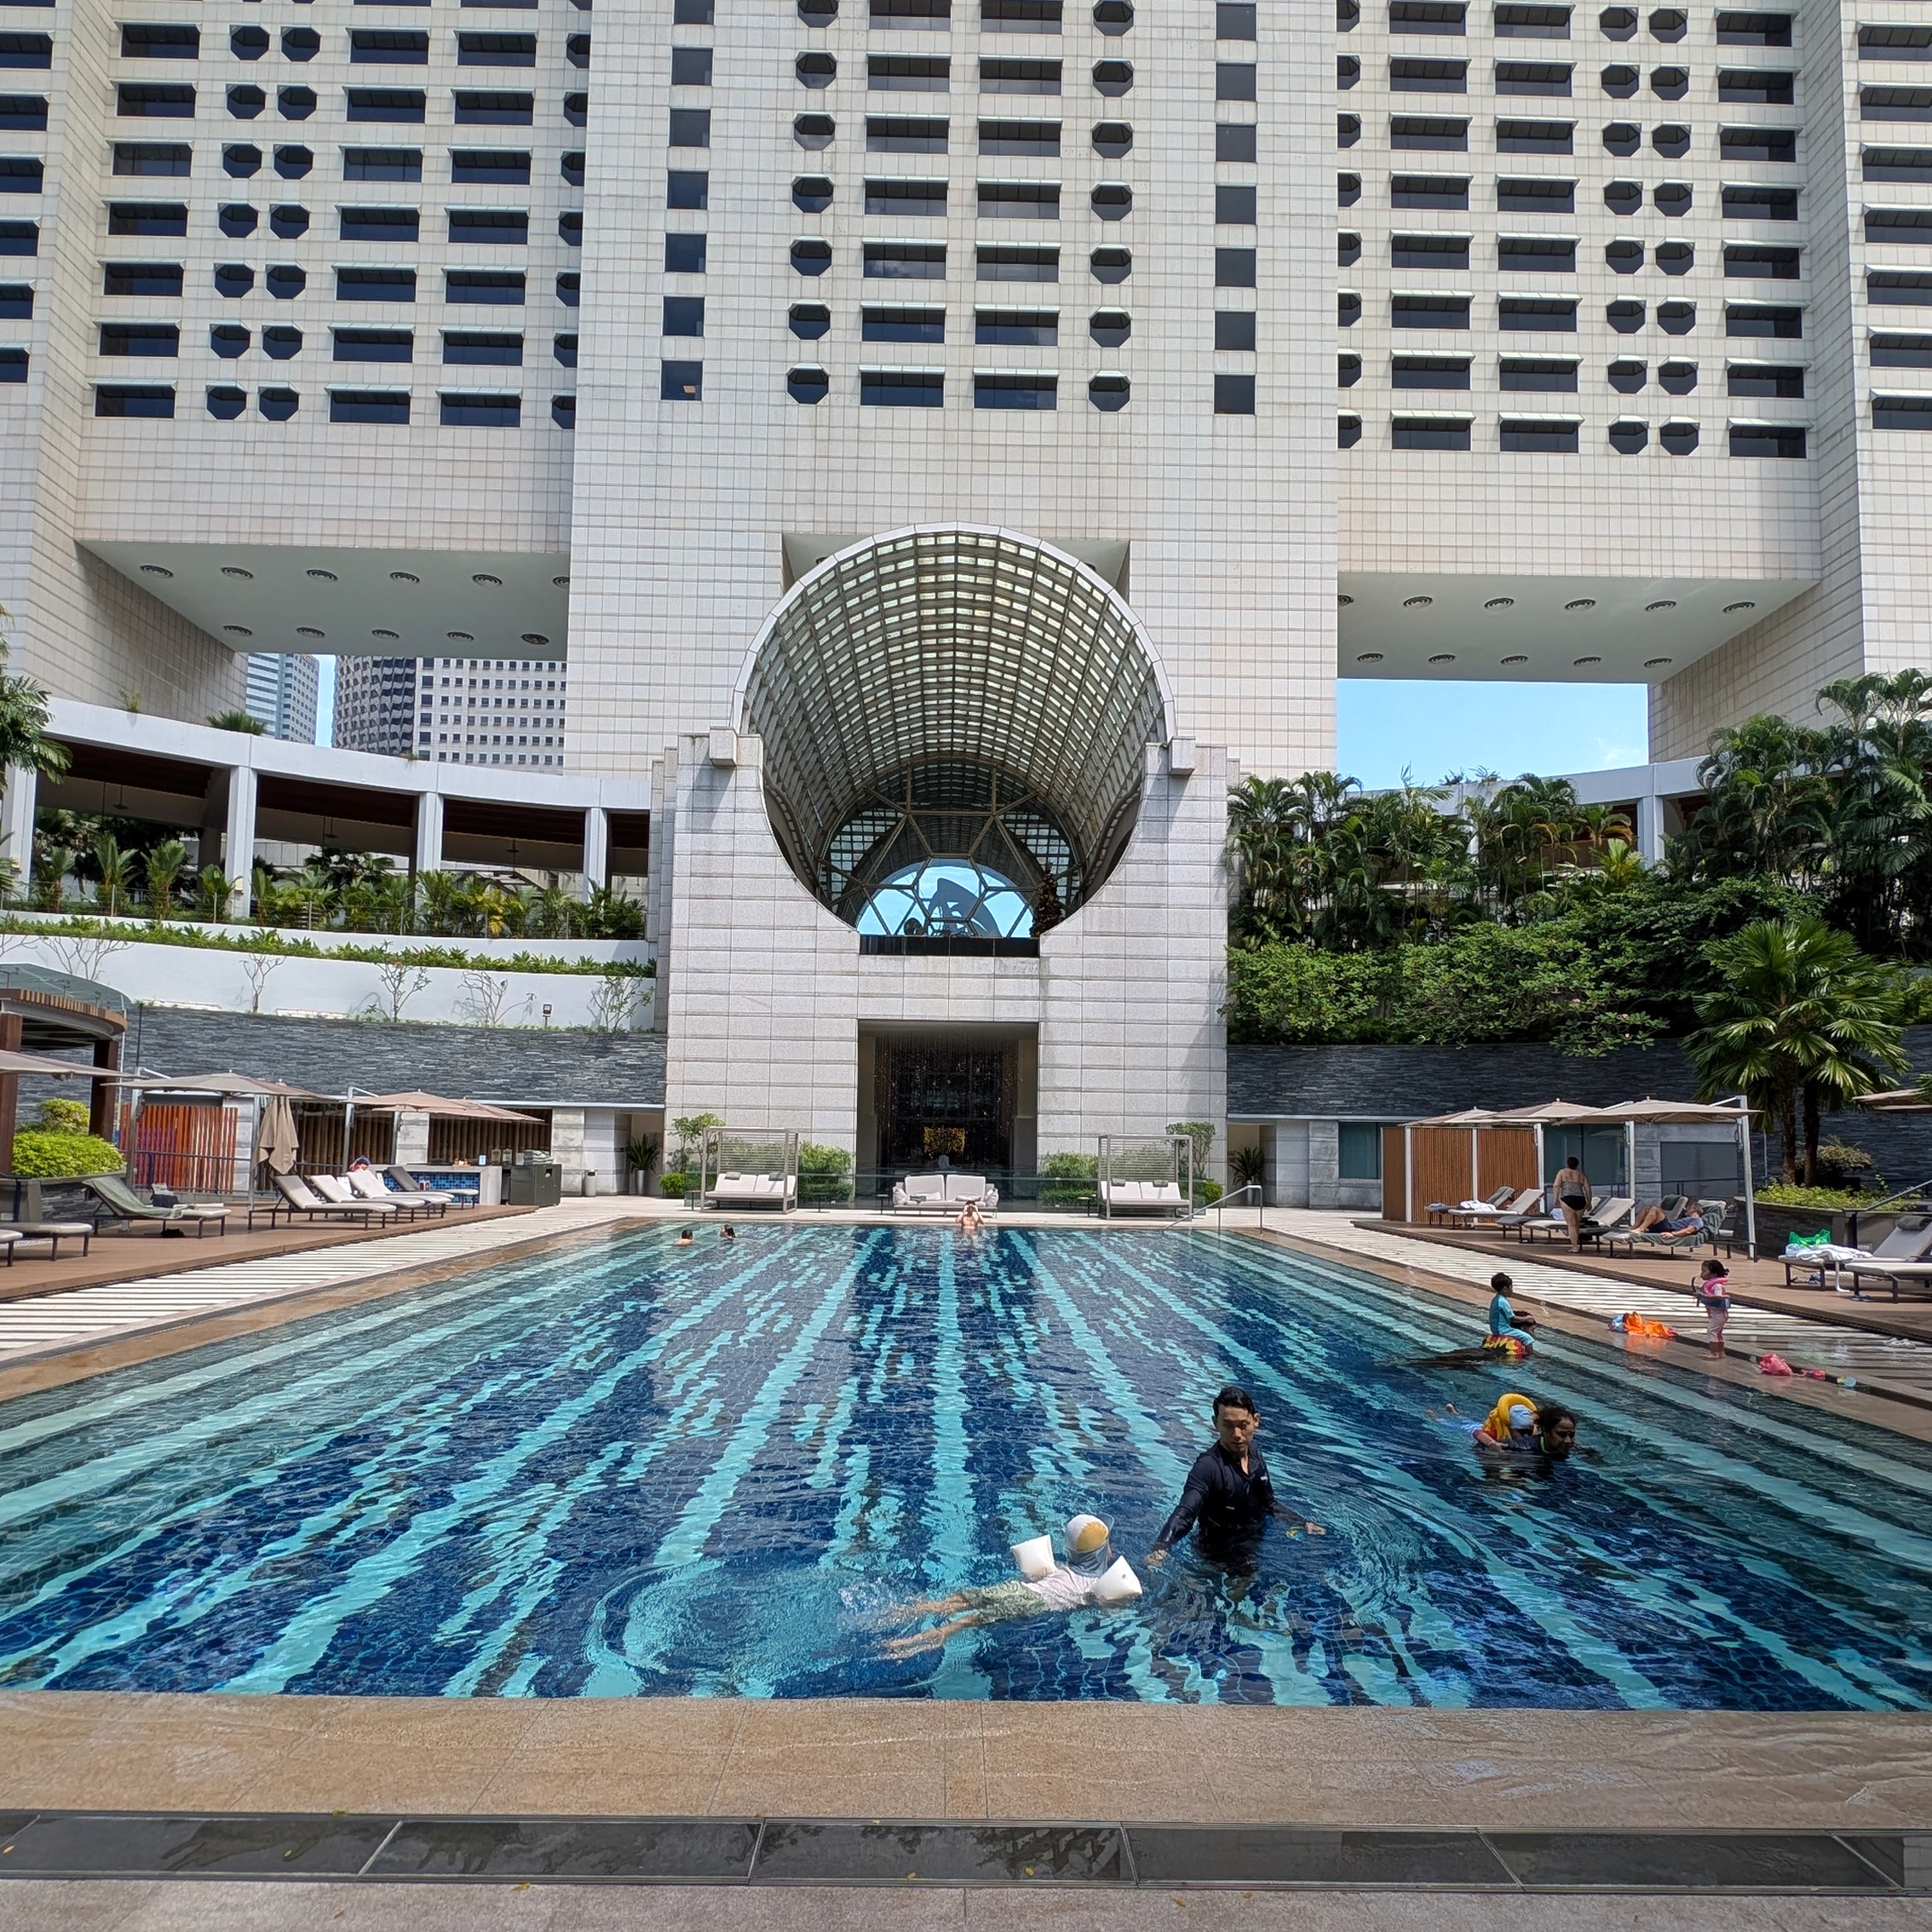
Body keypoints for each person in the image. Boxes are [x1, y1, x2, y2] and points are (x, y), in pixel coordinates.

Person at [881, 1514, 1134, 1658]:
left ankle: (907, 1611)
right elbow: (1105, 1604)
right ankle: (911, 1643)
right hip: (1030, 1601)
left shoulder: (1063, 1567)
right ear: (1101, 1552)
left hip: (1017, 1588)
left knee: (957, 1602)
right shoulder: (1094, 1585)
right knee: (965, 1623)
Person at [1147, 1385, 1325, 1573]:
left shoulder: (1255, 1454)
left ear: (1255, 1421)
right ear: (1216, 1423)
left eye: (1242, 1425)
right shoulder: (1207, 1467)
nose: (1237, 1435)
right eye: (1228, 1426)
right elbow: (1185, 1513)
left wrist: (1302, 1523)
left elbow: (1269, 1503)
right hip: (1215, 1555)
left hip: (1254, 1545)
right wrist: (1161, 1547)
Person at [1486, 1272, 1538, 1350]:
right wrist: (1526, 1318)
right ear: (1505, 1289)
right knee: (1527, 1338)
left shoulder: (1496, 1299)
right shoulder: (1502, 1301)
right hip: (1502, 1330)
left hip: (1496, 1329)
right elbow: (1513, 1319)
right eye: (1511, 1288)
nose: (1512, 1290)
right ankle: (1530, 1357)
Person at [1693, 1256, 1731, 1357]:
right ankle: (1721, 1352)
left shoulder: (1717, 1286)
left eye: (1704, 1271)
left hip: (1718, 1314)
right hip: (1719, 1314)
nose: (1701, 1273)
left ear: (1713, 1274)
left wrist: (1703, 1295)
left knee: (1712, 1331)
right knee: (1718, 1333)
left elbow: (1718, 1297)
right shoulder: (1712, 1285)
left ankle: (1714, 1353)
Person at [1554, 1156, 1592, 1253]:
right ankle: (1577, 1243)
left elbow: (1556, 1185)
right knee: (1576, 1224)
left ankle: (1575, 1246)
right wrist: (1589, 1202)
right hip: (1581, 1199)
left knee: (1571, 1224)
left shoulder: (1562, 1172)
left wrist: (1556, 1199)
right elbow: (1588, 1189)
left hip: (1567, 1198)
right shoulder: (1581, 1174)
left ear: (1568, 1163)